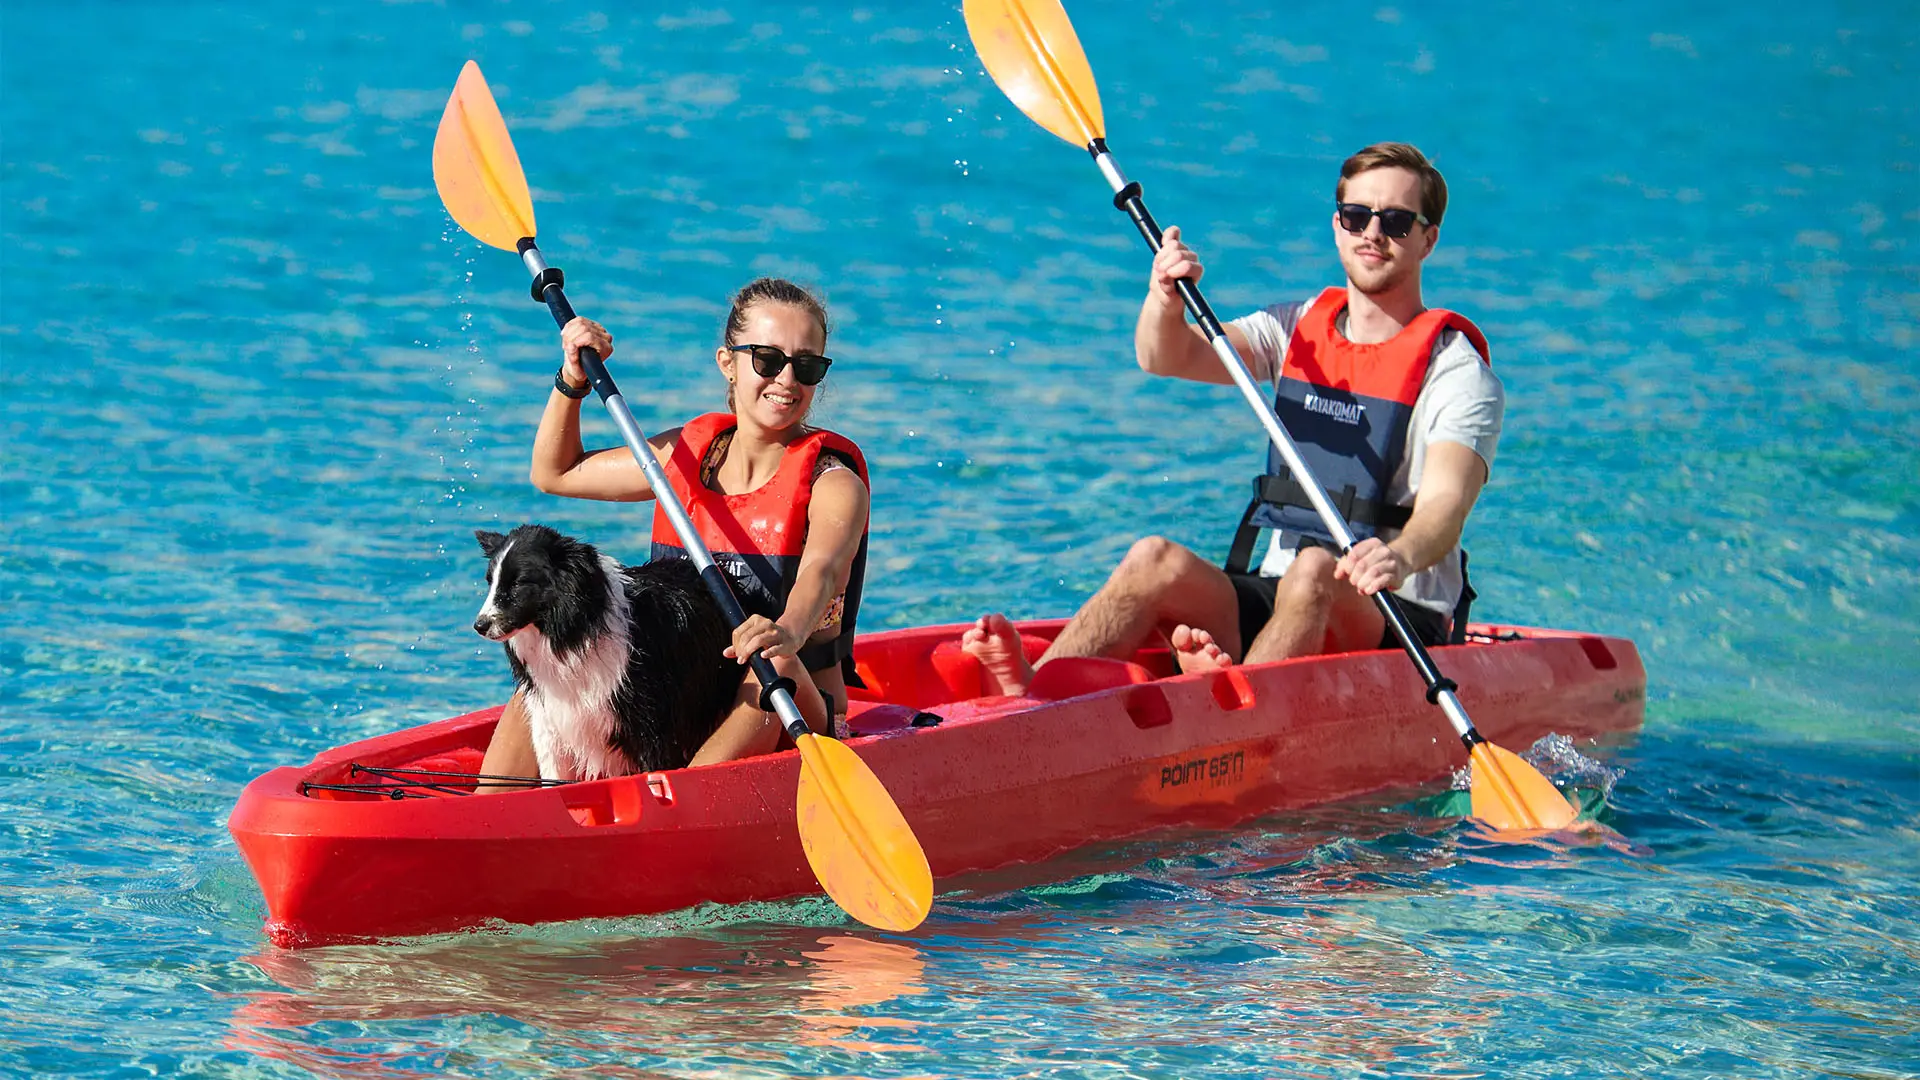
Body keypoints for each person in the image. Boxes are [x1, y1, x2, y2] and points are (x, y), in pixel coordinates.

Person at [963, 142, 1501, 693]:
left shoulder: (1458, 374)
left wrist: (1399, 557)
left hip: (1397, 612)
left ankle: (1231, 705)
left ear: (1428, 239)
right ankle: (1035, 694)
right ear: (1337, 225)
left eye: (1397, 221)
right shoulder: (1293, 328)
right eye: (1357, 216)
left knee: (1315, 569)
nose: (1373, 233)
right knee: (1154, 558)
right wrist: (1165, 299)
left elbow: (1444, 509)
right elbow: (1165, 356)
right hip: (1280, 592)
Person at [480, 277, 870, 775]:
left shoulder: (833, 484)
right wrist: (572, 380)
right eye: (768, 360)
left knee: (769, 665)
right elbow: (555, 472)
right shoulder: (681, 457)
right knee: (548, 666)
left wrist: (787, 631)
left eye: (807, 366)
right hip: (683, 704)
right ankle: (488, 808)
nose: (787, 380)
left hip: (791, 706)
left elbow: (822, 572)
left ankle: (677, 803)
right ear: (727, 363)